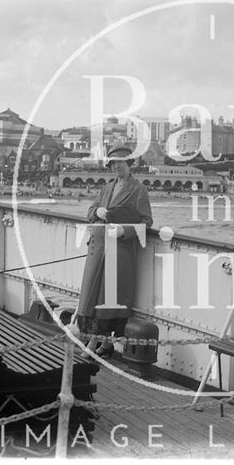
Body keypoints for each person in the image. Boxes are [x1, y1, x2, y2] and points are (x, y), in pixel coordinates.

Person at [76, 144, 153, 356]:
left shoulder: (138, 190)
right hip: (99, 249)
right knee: (92, 297)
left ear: (129, 164)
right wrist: (97, 210)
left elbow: (147, 222)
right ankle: (105, 344)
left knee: (108, 299)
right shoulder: (106, 188)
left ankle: (94, 344)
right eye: (113, 163)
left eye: (120, 162)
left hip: (119, 252)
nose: (116, 166)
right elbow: (90, 210)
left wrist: (124, 231)